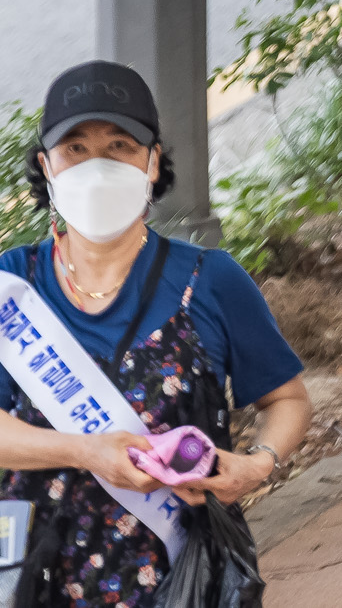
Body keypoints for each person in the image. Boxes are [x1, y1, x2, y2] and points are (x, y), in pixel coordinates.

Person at [0, 63, 313, 608]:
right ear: (46, 166)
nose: (96, 167)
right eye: (75, 149)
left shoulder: (210, 280)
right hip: (33, 578)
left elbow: (286, 399)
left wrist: (259, 464)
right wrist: (86, 451)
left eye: (119, 145)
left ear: (152, 161)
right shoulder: (11, 286)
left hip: (184, 577)